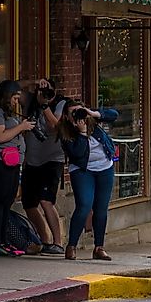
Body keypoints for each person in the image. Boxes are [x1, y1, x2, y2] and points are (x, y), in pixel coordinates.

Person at [0, 81, 34, 257]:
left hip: (10, 162)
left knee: (7, 202)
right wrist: (21, 127)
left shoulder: (6, 112)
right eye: (15, 97)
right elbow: (0, 136)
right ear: (6, 95)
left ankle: (4, 241)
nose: (16, 101)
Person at [59, 102, 118, 260]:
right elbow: (77, 154)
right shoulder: (66, 132)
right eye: (73, 113)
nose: (77, 116)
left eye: (79, 112)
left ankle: (99, 247)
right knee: (84, 205)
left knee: (101, 208)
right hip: (82, 170)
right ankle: (71, 246)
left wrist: (93, 113)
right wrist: (82, 133)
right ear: (66, 116)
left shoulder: (93, 121)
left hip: (105, 168)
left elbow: (114, 115)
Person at [20, 79, 68, 255]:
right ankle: (45, 240)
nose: (44, 93)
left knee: (46, 200)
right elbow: (12, 85)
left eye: (48, 91)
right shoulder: (30, 100)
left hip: (52, 159)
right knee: (29, 203)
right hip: (32, 160)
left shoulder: (60, 103)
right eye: (42, 90)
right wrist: (33, 82)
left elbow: (55, 126)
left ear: (54, 92)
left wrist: (44, 105)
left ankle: (58, 242)